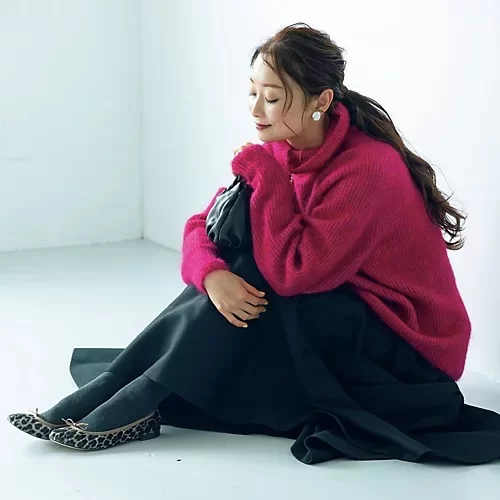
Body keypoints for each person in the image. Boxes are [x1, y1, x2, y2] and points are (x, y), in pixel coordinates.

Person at [8, 23, 500, 464]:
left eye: (272, 97)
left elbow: (295, 274)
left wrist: (267, 180)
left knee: (258, 268)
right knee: (241, 257)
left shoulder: (367, 168)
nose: (256, 109)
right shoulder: (281, 148)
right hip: (340, 320)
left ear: (321, 101)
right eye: (252, 92)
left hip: (407, 354)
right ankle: (122, 393)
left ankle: (130, 399)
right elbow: (202, 225)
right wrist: (211, 276)